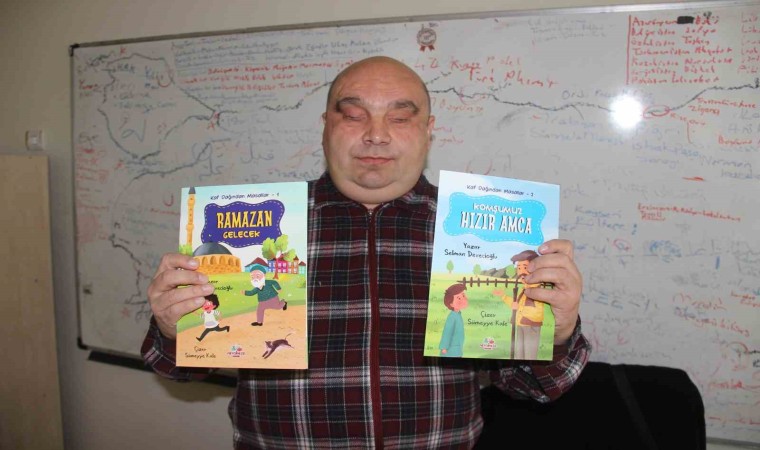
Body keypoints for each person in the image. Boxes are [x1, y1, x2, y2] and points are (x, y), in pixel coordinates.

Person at [142, 56, 590, 449]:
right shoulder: (263, 228)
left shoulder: (478, 234)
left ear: (428, 131)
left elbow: (534, 387)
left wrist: (556, 334)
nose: (376, 135)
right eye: (355, 116)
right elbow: (178, 369)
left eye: (400, 118)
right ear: (326, 126)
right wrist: (173, 329)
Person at [439, 283, 468, 357]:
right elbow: (447, 332)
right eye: (459, 298)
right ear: (451, 304)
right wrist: (444, 347)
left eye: (463, 295)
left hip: (457, 350)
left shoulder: (458, 315)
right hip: (450, 351)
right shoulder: (452, 317)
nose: (464, 299)